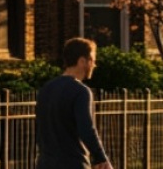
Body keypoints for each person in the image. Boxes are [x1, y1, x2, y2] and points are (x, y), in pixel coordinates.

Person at [37, 38, 111, 169]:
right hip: (73, 163)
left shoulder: (46, 89)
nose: (94, 65)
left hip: (45, 163)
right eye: (92, 60)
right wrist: (101, 158)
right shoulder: (81, 91)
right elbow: (86, 129)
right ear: (82, 61)